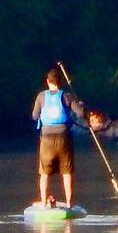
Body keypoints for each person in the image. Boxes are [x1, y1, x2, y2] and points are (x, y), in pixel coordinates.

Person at [32, 69, 86, 208]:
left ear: (48, 82)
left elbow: (34, 115)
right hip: (64, 139)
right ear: (60, 83)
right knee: (66, 172)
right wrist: (79, 105)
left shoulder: (41, 96)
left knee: (44, 173)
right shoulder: (67, 96)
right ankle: (69, 204)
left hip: (46, 139)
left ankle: (43, 204)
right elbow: (80, 114)